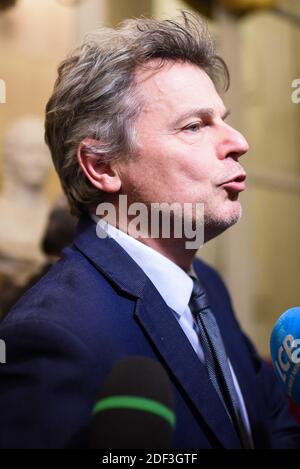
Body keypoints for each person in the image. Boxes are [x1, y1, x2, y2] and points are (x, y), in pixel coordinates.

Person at [0, 12, 299, 449]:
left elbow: (270, 423)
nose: (238, 141)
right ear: (101, 166)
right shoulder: (50, 336)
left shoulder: (207, 287)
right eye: (195, 126)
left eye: (223, 118)